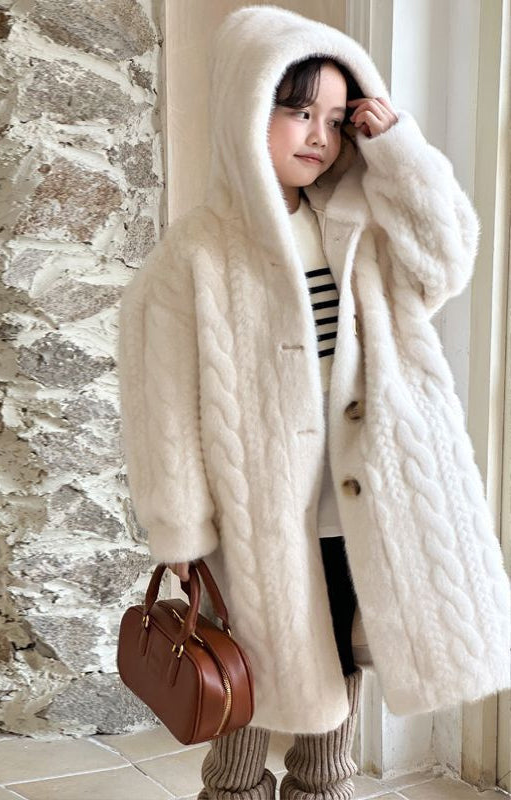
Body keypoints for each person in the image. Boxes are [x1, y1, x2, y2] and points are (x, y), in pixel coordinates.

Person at [118, 6, 511, 800]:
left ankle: (322, 784)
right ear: (245, 106)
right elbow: (163, 406)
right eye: (298, 111)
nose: (319, 137)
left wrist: (396, 149)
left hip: (362, 498)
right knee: (249, 667)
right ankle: (232, 789)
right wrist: (182, 525)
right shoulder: (194, 256)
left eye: (335, 120)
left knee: (337, 655)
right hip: (254, 514)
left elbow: (446, 260)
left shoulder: (356, 223)